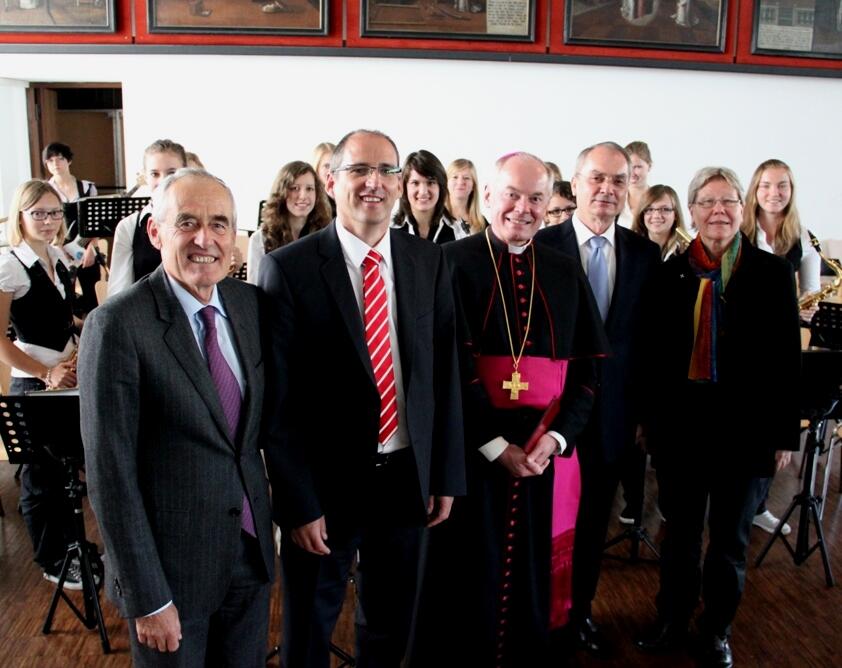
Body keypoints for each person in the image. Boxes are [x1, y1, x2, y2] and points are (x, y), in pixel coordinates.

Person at [259, 129, 465, 668]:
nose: (374, 182)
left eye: (386, 171)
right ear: (332, 179)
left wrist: (444, 474)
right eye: (359, 170)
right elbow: (279, 404)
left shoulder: (428, 261)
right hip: (325, 486)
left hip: (406, 474)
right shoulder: (291, 267)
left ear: (400, 183)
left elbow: (444, 376)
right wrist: (298, 503)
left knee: (393, 623)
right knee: (308, 626)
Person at [413, 152, 608, 667]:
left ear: (549, 206)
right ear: (490, 196)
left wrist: (557, 438)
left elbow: (588, 375)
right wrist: (497, 445)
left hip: (545, 460)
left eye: (536, 199)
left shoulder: (565, 272)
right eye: (512, 195)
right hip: (472, 458)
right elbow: (444, 370)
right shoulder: (451, 263)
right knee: (468, 580)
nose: (522, 209)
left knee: (534, 583)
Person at [79, 169, 275, 667]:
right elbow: (111, 475)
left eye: (219, 224)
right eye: (186, 222)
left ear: (235, 237)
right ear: (155, 232)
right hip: (170, 577)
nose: (204, 239)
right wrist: (147, 596)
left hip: (249, 556)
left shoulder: (249, 306)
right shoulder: (119, 325)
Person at [635, 167, 801, 668]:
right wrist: (648, 421)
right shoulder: (668, 274)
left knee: (729, 543)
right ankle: (671, 618)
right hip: (680, 434)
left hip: (745, 436)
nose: (719, 211)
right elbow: (651, 358)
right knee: (679, 537)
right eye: (707, 202)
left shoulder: (771, 275)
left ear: (741, 208)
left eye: (728, 201)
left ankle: (716, 630)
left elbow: (786, 362)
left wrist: (784, 433)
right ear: (693, 211)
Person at [535, 142, 660, 658]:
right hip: (547, 417)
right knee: (542, 524)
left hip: (612, 422)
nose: (607, 189)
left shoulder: (644, 254)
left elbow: (650, 344)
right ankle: (534, 611)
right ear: (577, 182)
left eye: (618, 180)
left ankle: (579, 612)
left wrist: (643, 417)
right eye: (596, 179)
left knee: (590, 529)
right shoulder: (542, 245)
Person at [0, 180, 81, 587]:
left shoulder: (58, 256)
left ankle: (72, 549)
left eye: (55, 213)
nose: (49, 221)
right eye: (39, 214)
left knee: (64, 473)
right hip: (35, 387)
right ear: (21, 216)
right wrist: (45, 372)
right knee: (38, 481)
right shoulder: (9, 264)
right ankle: (51, 560)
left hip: (65, 379)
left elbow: (66, 318)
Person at [742, 158, 819, 537]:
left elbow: (810, 288)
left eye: (782, 186)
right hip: (744, 343)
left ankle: (758, 506)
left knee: (775, 430)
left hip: (781, 344)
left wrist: (809, 306)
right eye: (767, 185)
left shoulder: (800, 236)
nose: (775, 193)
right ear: (755, 191)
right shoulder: (740, 232)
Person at [108, 139, 187, 297]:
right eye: (154, 174)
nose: (163, 180)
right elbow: (118, 292)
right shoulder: (129, 227)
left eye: (171, 173)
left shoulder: (202, 221)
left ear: (185, 173)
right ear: (145, 177)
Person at [247, 160, 331, 284]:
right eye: (294, 188)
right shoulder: (259, 239)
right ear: (281, 192)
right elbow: (254, 291)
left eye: (309, 189)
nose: (303, 196)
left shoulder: (327, 237)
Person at [43, 141, 101, 315]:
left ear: (68, 161)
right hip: (57, 247)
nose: (55, 164)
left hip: (85, 245)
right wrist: (59, 248)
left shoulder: (87, 187)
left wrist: (92, 248)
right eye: (50, 161)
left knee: (92, 292)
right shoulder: (46, 189)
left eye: (60, 159)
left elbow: (96, 221)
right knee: (65, 296)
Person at [391, 150, 469, 243]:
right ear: (404, 187)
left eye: (430, 182)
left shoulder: (459, 233)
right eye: (415, 183)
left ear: (440, 187)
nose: (423, 191)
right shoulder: (390, 230)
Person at [631, 184, 690, 261]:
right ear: (642, 214)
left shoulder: (689, 253)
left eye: (665, 209)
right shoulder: (629, 248)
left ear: (675, 214)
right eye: (649, 209)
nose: (656, 216)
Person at [445, 158, 487, 234]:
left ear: (473, 186)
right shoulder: (435, 219)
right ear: (446, 182)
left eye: (466, 178)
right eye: (455, 177)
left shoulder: (482, 223)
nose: (460, 182)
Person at [618, 140, 653, 228]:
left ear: (650, 166)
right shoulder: (615, 200)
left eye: (638, 167)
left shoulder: (659, 201)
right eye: (629, 167)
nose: (632, 173)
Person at [312, 141, 337, 217]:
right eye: (326, 166)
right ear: (316, 169)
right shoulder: (311, 197)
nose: (332, 171)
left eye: (335, 165)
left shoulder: (345, 193)